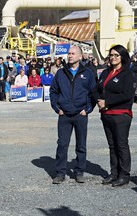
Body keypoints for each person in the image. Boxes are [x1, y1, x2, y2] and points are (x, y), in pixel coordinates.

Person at [50, 46, 96, 184]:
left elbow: (92, 93)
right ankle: (60, 173)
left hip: (80, 114)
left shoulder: (88, 73)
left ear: (80, 56)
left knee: (81, 145)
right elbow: (53, 91)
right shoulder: (61, 73)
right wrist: (57, 108)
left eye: (73, 53)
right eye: (69, 53)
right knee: (62, 144)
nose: (70, 56)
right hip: (64, 115)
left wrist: (88, 109)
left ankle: (79, 171)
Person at [92, 44, 136, 187]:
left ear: (122, 57)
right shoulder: (105, 72)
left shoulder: (127, 74)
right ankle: (114, 173)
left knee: (121, 144)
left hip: (121, 114)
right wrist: (98, 100)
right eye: (111, 55)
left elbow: (127, 95)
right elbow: (96, 88)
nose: (113, 58)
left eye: (116, 55)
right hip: (106, 114)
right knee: (112, 145)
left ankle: (124, 174)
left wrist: (107, 102)